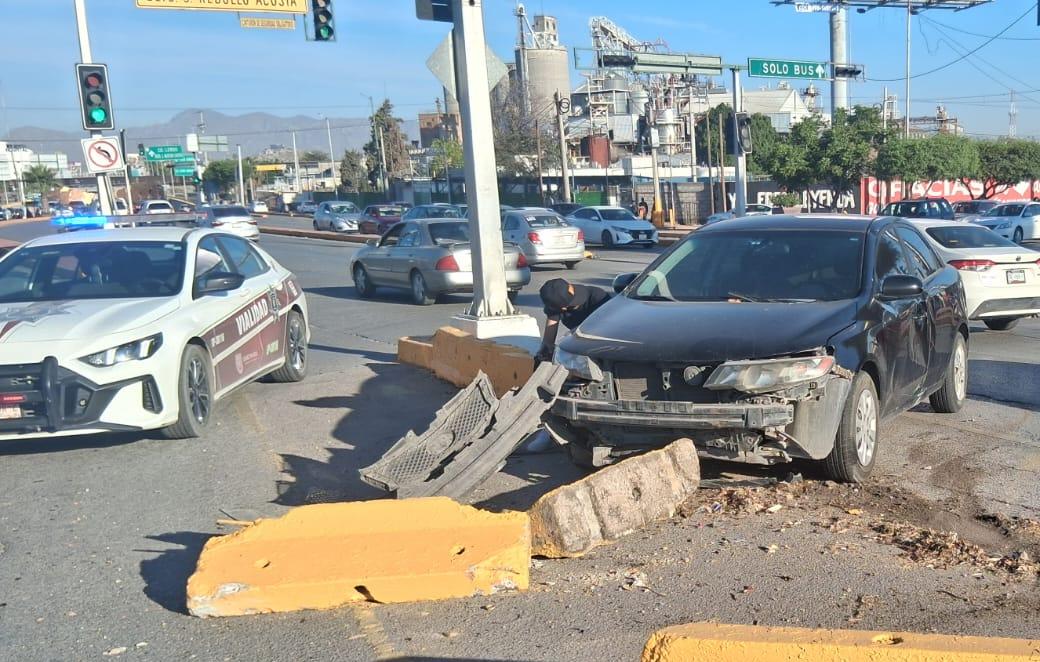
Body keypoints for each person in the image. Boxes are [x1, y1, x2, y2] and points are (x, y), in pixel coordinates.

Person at [536, 278, 611, 362]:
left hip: (603, 343)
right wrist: (546, 348)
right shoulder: (555, 300)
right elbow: (551, 326)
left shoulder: (598, 298)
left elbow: (609, 327)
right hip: (578, 342)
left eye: (569, 306)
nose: (565, 309)